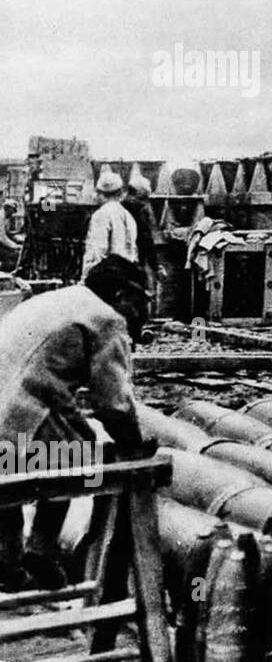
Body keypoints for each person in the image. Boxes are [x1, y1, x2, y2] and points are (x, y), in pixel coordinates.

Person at [0, 255, 148, 591]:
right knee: (77, 456)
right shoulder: (106, 318)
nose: (139, 312)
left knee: (7, 481)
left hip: (7, 406)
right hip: (19, 411)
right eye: (138, 302)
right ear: (122, 295)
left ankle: (8, 565)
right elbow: (113, 404)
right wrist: (135, 448)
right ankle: (41, 549)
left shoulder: (60, 299)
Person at [81, 170, 138, 279]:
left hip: (107, 279)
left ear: (101, 194)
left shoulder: (101, 215)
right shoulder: (128, 216)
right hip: (126, 277)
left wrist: (86, 278)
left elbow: (96, 251)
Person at [123, 175, 158, 308]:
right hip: (133, 261)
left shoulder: (122, 207)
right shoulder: (136, 209)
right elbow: (145, 239)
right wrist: (155, 266)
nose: (144, 203)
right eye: (143, 199)